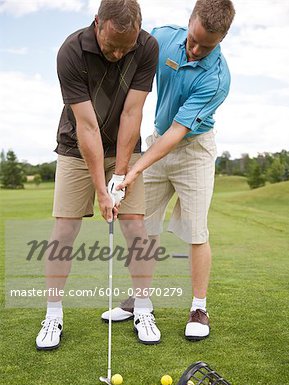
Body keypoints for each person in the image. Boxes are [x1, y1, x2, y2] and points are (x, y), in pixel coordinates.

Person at [102, 0, 235, 341]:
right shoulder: (161, 38)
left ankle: (198, 307)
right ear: (189, 21)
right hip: (158, 141)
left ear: (222, 39)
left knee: (195, 231)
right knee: (143, 227)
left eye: (207, 46)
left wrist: (133, 169)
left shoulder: (217, 78)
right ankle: (139, 299)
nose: (195, 49)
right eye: (193, 39)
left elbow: (178, 133)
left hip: (194, 150)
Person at [36, 0, 160, 350]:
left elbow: (132, 112)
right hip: (77, 146)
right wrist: (101, 192)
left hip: (124, 145)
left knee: (136, 224)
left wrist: (120, 176)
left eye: (127, 47)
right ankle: (53, 314)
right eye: (111, 46)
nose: (119, 54)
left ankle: (143, 308)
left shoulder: (147, 47)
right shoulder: (71, 52)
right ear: (97, 24)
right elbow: (87, 127)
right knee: (65, 227)